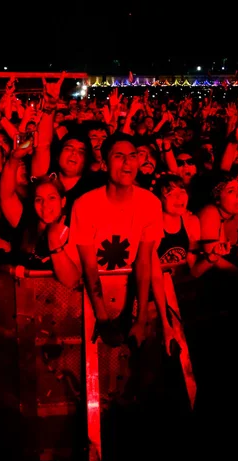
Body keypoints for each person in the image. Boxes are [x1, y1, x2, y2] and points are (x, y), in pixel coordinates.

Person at [66, 133, 165, 347]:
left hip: (128, 300)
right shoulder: (85, 205)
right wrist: (102, 318)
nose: (127, 162)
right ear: (104, 164)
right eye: (119, 156)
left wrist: (141, 319)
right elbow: (89, 267)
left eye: (132, 155)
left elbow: (144, 261)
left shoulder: (150, 204)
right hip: (88, 301)